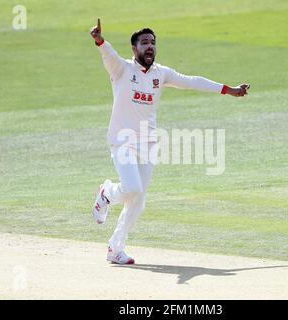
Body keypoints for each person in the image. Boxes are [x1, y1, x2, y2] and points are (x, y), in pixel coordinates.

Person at [90, 18, 250, 264]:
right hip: (122, 141)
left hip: (148, 144)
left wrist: (229, 89)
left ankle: (115, 248)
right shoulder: (122, 69)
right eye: (144, 43)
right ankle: (107, 193)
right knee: (131, 187)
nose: (150, 46)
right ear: (135, 49)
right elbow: (108, 55)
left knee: (138, 203)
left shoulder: (161, 74)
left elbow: (192, 81)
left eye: (153, 42)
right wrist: (100, 40)